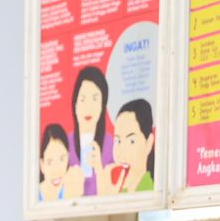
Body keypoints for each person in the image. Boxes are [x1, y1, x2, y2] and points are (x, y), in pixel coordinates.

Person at [66, 67, 112, 197]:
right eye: (83, 99)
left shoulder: (113, 147)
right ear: (75, 105)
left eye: (95, 99)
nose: (88, 107)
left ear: (103, 105)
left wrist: (99, 169)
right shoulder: (64, 146)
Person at [108, 99, 156, 193]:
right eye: (118, 141)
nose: (122, 150)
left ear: (149, 142)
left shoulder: (150, 188)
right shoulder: (117, 187)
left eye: (131, 141)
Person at [38, 122, 81, 202]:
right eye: (50, 162)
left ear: (68, 158)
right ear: (42, 165)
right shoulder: (34, 195)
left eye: (62, 159)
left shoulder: (72, 191)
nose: (56, 170)